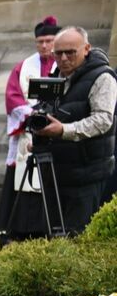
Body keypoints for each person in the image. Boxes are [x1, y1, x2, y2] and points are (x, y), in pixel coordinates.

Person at [31, 26, 116, 233]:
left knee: (77, 236)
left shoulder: (102, 77)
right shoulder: (55, 76)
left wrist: (63, 130)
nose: (64, 58)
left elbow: (103, 120)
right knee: (52, 234)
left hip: (86, 173)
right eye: (58, 53)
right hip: (56, 170)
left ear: (86, 48)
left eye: (70, 52)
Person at [0, 16, 60, 241]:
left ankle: (48, 229)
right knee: (22, 180)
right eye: (40, 41)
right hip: (27, 133)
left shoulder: (64, 65)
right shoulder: (23, 67)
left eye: (49, 41)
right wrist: (32, 115)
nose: (44, 46)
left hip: (56, 131)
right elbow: (12, 97)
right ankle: (20, 229)